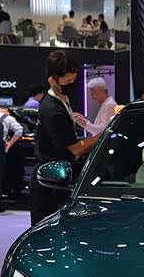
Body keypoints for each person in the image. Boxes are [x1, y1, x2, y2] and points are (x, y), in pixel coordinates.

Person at [30, 50, 101, 225]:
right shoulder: (52, 109)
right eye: (68, 81)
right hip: (50, 183)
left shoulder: (62, 100)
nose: (72, 84)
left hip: (60, 179)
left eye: (74, 80)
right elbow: (75, 149)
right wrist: (105, 134)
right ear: (52, 80)